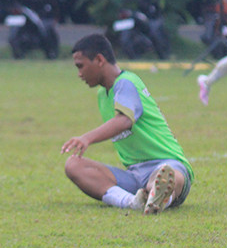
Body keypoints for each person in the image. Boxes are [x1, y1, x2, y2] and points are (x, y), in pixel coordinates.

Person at [62, 33, 193, 214]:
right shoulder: (103, 94)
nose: (79, 74)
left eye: (80, 66)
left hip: (166, 162)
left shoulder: (126, 82)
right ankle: (133, 201)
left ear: (99, 59)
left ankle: (161, 195)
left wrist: (87, 138)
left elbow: (124, 120)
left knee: (166, 173)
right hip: (134, 175)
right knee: (73, 165)